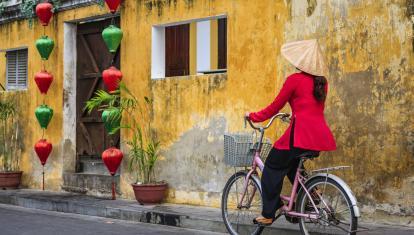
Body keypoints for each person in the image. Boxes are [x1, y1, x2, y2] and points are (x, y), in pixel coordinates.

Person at [246, 39, 337, 225]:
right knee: (292, 165)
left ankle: (269, 214)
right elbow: (309, 107)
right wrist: (294, 113)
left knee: (272, 166)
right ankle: (312, 193)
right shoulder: (322, 83)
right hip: (318, 135)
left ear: (300, 61)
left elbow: (274, 107)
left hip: (300, 134)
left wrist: (253, 116)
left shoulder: (294, 80)